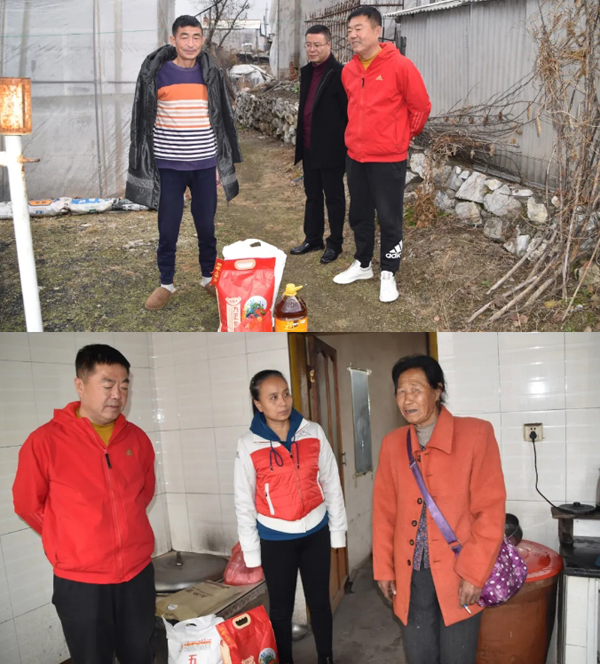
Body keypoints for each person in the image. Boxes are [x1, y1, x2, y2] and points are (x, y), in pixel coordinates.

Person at [13, 344, 156, 664]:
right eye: (107, 384)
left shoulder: (137, 439)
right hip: (81, 583)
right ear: (80, 385)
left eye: (124, 386)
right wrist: (71, 537)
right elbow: (26, 505)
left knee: (140, 654)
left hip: (137, 575)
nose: (117, 395)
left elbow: (143, 494)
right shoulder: (45, 441)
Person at [372, 355, 506, 664]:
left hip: (459, 571)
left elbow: (490, 511)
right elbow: (384, 512)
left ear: (437, 390)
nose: (407, 399)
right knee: (419, 655)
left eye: (416, 389)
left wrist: (474, 574)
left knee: (458, 655)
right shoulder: (392, 444)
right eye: (400, 391)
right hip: (412, 572)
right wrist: (384, 568)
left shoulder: (476, 434)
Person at [126, 15, 242, 311]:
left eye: (196, 37)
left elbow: (221, 118)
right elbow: (143, 120)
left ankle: (208, 278)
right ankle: (166, 283)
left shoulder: (211, 73)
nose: (190, 43)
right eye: (184, 36)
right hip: (169, 166)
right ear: (173, 40)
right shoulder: (157, 73)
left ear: (202, 40)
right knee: (168, 229)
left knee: (206, 227)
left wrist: (219, 164)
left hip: (204, 164)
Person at [234, 370, 348, 664]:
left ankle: (326, 658)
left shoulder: (313, 432)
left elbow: (331, 482)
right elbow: (244, 501)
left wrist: (337, 531)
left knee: (320, 603)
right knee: (281, 611)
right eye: (273, 397)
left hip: (316, 532)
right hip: (275, 539)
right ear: (258, 404)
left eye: (286, 393)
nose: (283, 402)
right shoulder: (248, 444)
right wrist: (251, 551)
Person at [334, 6, 431, 303]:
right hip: (356, 156)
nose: (352, 35)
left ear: (377, 31)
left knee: (389, 218)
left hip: (388, 158)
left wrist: (401, 137)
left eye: (359, 28)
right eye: (349, 30)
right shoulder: (348, 71)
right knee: (359, 214)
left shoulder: (400, 66)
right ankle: (363, 263)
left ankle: (389, 271)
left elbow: (421, 107)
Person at [291, 25, 348, 264]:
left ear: (329, 45)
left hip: (332, 149)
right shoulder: (307, 72)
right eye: (308, 45)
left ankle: (335, 243)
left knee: (334, 197)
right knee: (312, 195)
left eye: (317, 45)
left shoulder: (340, 73)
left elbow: (347, 113)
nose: (312, 49)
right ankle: (313, 238)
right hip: (309, 146)